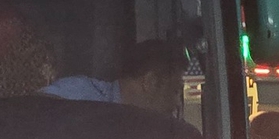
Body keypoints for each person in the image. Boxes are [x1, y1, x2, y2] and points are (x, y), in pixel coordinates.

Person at [38, 39, 183, 113]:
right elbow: (33, 112)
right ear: (150, 82)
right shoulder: (79, 92)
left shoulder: (154, 135)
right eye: (175, 91)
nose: (177, 103)